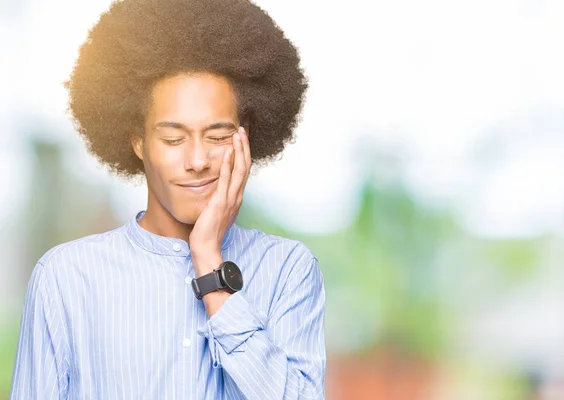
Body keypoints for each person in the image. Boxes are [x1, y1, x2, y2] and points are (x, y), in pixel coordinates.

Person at [9, 0, 326, 398]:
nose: (197, 161)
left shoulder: (288, 271)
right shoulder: (67, 279)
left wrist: (210, 263)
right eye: (174, 139)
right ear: (138, 141)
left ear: (245, 139)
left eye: (217, 137)